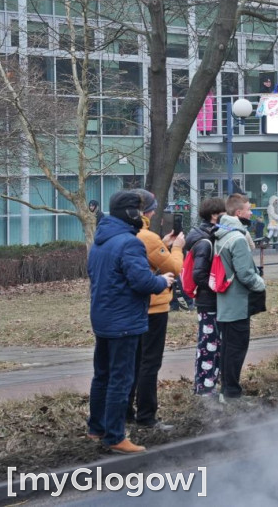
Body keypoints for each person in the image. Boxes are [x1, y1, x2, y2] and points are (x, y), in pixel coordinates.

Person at [87, 190, 176, 454]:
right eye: (139, 211)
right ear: (130, 213)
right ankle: (115, 436)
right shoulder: (130, 243)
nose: (143, 216)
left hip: (102, 317)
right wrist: (164, 281)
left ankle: (96, 428)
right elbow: (142, 282)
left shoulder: (101, 240)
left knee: (101, 376)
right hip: (124, 319)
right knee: (121, 379)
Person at [127, 190, 184, 431]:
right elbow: (174, 268)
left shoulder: (129, 234)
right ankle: (147, 416)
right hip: (154, 307)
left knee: (132, 363)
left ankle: (126, 412)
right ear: (147, 212)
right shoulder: (147, 237)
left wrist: (164, 244)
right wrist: (177, 247)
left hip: (132, 309)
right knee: (150, 363)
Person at [213, 206, 267, 401]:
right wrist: (260, 283)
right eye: (247, 209)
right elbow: (245, 273)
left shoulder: (221, 236)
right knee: (236, 349)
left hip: (226, 303)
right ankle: (232, 394)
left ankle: (226, 391)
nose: (251, 213)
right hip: (238, 303)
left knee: (228, 348)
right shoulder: (237, 239)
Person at [183, 197, 226, 397]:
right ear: (214, 215)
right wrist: (215, 287)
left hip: (206, 300)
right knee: (209, 345)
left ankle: (205, 385)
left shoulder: (204, 236)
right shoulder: (205, 242)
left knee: (209, 344)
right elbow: (199, 274)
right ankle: (205, 388)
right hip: (208, 301)